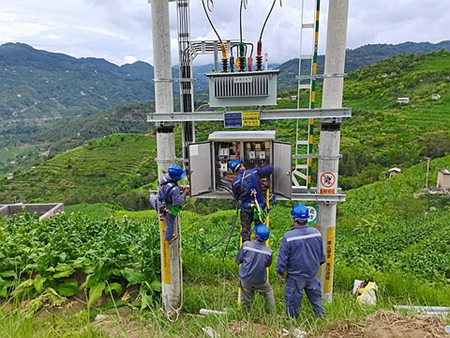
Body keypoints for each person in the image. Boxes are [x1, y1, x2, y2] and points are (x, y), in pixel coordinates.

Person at [276, 203, 326, 319]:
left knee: (293, 303)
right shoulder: (316, 233)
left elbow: (283, 258)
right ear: (307, 218)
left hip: (295, 277)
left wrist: (280, 271)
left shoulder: (288, 237)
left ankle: (292, 324)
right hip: (312, 275)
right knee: (316, 300)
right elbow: (321, 256)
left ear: (294, 219)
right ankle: (322, 320)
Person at [230, 159, 274, 243]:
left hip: (246, 209)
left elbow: (237, 196)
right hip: (259, 209)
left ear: (235, 172)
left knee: (245, 232)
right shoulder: (254, 172)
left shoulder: (235, 182)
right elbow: (271, 169)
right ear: (242, 164)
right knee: (260, 232)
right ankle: (260, 250)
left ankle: (246, 251)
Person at [235, 224, 275, 312]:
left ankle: (245, 316)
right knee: (268, 291)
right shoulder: (269, 252)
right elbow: (267, 264)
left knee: (246, 299)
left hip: (245, 279)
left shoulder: (246, 245)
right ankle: (272, 313)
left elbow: (238, 260)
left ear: (255, 236)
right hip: (260, 281)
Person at [149, 164, 190, 244]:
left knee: (152, 197)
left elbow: (167, 188)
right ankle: (168, 238)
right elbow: (176, 202)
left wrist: (181, 188)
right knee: (170, 223)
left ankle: (161, 212)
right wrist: (184, 194)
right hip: (169, 206)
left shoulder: (164, 178)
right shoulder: (175, 189)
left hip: (161, 202)